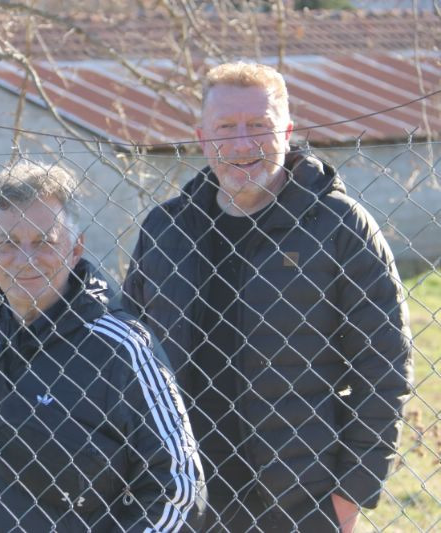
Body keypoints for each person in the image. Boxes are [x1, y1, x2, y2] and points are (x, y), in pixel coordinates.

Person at [122, 61, 413, 532]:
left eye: (259, 126)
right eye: (225, 128)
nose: (242, 144)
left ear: (288, 132)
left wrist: (350, 494)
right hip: (182, 499)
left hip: (301, 500)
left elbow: (385, 366)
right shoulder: (166, 229)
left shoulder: (338, 226)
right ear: (202, 138)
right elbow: (127, 363)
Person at [0, 161, 205, 532]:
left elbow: (179, 488)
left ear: (76, 249)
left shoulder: (122, 350)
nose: (25, 259)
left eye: (45, 242)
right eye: (8, 243)